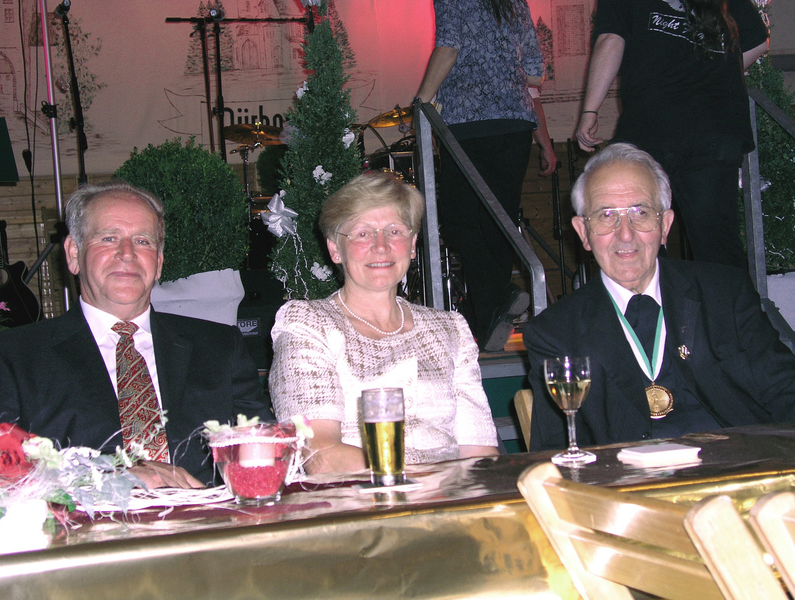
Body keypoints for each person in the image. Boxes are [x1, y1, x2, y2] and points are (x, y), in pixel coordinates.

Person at [0, 182, 273, 487]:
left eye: (142, 241)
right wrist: (106, 478)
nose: (126, 253)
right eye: (109, 238)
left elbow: (265, 456)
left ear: (158, 263)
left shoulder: (220, 348)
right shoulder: (13, 357)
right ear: (74, 254)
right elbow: (2, 475)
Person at [524, 143, 795, 451]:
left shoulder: (725, 293)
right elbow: (557, 451)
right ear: (583, 232)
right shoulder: (555, 333)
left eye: (640, 213)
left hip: (740, 467)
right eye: (606, 215)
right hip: (626, 479)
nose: (625, 233)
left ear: (665, 225)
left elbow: (786, 392)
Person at [268, 171, 498, 475]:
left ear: (412, 245)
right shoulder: (308, 324)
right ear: (335, 249)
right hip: (357, 497)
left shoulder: (450, 329)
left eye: (394, 231)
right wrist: (424, 484)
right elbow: (320, 457)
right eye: (362, 233)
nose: (381, 246)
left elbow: (480, 453)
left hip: (453, 497)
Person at [575, 0, 769, 268]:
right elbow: (757, 42)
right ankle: (729, 295)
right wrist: (712, 71)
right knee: (718, 245)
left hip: (654, 122)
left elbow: (610, 40)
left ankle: (652, 293)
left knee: (639, 235)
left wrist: (590, 110)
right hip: (715, 125)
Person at [415, 0, 557, 352]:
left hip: (470, 122)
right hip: (515, 121)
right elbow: (535, 72)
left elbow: (449, 46)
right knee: (500, 221)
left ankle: (499, 295)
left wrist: (420, 102)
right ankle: (488, 319)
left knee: (458, 219)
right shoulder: (514, 1)